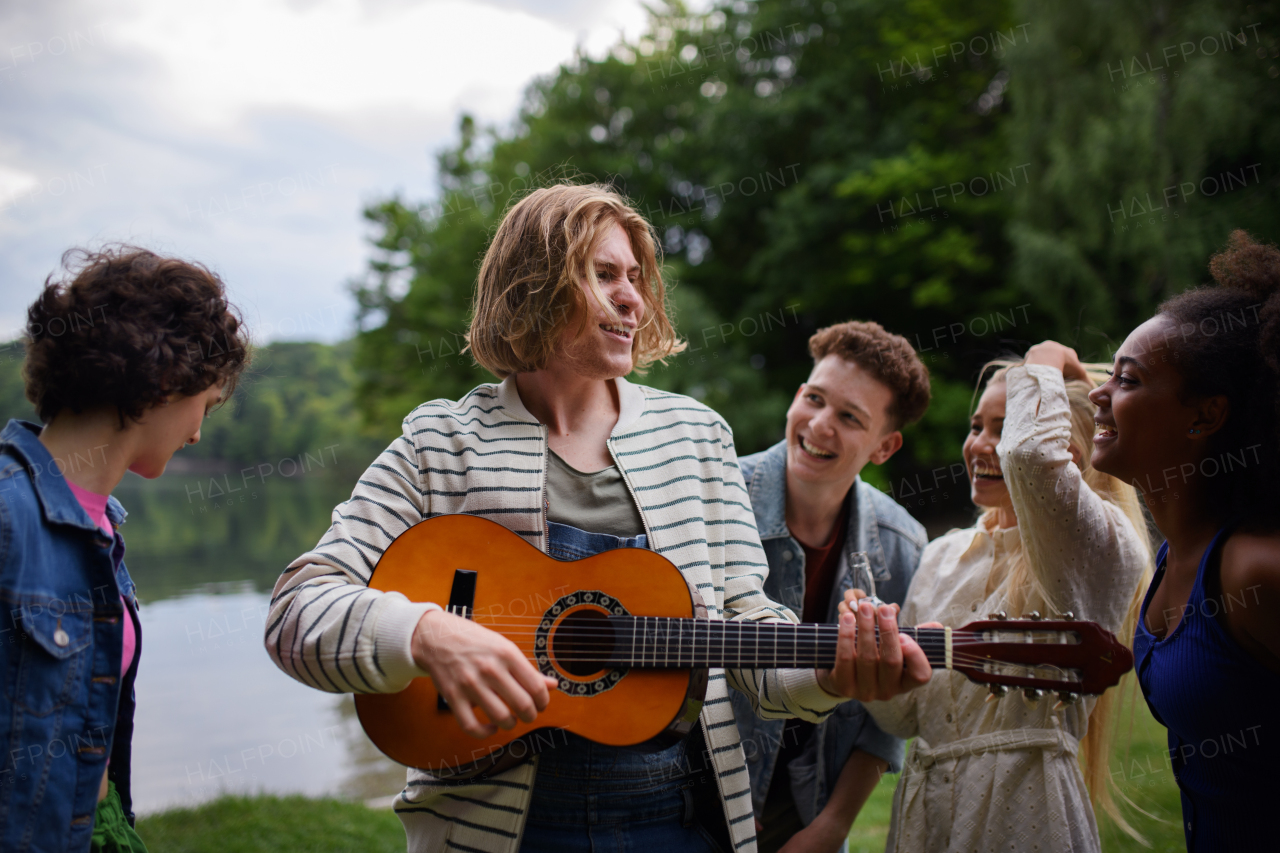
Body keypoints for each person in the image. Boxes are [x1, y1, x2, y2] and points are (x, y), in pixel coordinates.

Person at [264, 183, 932, 853]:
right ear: (534, 283)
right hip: (493, 830)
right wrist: (426, 632)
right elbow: (297, 609)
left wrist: (828, 677)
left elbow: (752, 640)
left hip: (678, 819)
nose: (633, 298)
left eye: (636, 278)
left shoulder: (696, 436)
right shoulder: (440, 443)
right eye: (604, 274)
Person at [0, 247, 249, 852]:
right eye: (205, 406)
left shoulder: (103, 527)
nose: (196, 432)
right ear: (169, 377)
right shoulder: (8, 513)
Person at [861, 340, 1153, 853]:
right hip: (925, 816)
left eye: (1003, 426)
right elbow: (904, 720)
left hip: (1024, 812)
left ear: (1071, 457)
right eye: (977, 427)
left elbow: (1031, 455)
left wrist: (1046, 359)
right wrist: (877, 668)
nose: (981, 445)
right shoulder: (941, 556)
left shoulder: (1100, 547)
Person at [1089, 229, 1280, 852]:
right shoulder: (1175, 555)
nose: (1099, 393)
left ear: (1205, 416)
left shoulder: (1254, 571)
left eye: (1128, 380)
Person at [731, 321, 930, 853]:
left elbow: (881, 716)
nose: (819, 425)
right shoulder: (715, 498)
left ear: (885, 446)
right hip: (697, 799)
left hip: (809, 809)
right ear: (798, 395)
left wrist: (831, 828)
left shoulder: (904, 545)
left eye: (848, 417)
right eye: (814, 399)